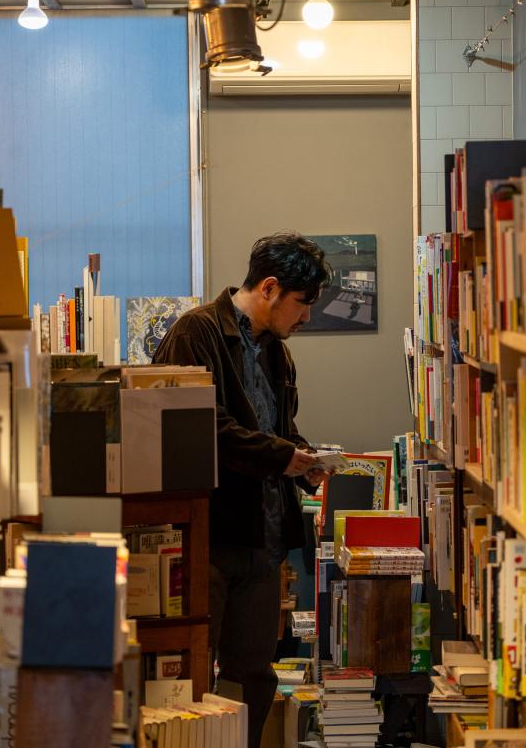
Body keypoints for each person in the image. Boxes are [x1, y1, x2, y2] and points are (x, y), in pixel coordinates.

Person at [152, 231, 333, 748]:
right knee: (190, 674)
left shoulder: (278, 353)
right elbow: (201, 427)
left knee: (253, 674)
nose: (307, 316)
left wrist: (304, 458)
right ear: (269, 288)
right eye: (302, 303)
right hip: (208, 536)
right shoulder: (196, 333)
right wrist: (280, 456)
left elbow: (278, 429)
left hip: (263, 539)